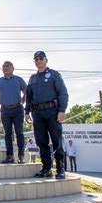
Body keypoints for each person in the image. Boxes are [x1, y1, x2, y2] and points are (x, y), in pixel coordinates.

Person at [25, 51, 69, 179]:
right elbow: (29, 97)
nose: (38, 61)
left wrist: (62, 110)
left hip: (52, 112)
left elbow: (63, 93)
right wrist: (27, 112)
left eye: (40, 58)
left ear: (46, 60)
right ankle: (46, 168)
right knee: (41, 141)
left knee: (56, 140)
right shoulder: (32, 78)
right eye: (36, 59)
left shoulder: (54, 75)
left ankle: (60, 168)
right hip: (37, 114)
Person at [0, 61, 27, 163]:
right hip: (5, 110)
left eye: (8, 66)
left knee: (19, 133)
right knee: (7, 133)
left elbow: (26, 91)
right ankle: (10, 156)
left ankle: (21, 156)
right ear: (2, 69)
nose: (6, 68)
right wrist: (2, 103)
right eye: (4, 66)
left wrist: (23, 100)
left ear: (13, 68)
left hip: (18, 109)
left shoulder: (18, 79)